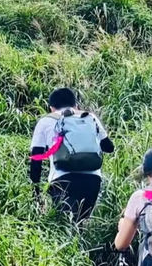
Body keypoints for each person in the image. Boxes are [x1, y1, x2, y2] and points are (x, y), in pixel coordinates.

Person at [29, 87, 114, 223]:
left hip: (62, 180)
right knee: (81, 224)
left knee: (65, 227)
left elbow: (36, 159)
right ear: (75, 105)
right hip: (92, 180)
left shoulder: (46, 121)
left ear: (51, 107)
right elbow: (109, 147)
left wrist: (36, 193)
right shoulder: (89, 117)